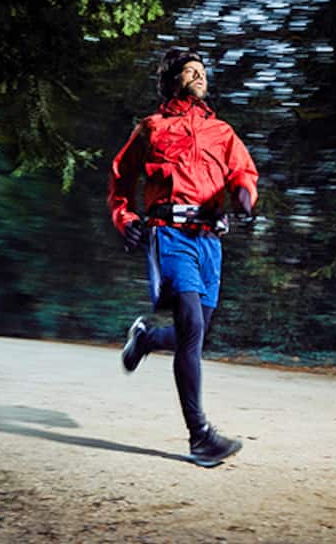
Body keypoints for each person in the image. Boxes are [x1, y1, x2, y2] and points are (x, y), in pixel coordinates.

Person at [107, 48, 259, 467]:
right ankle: (200, 437)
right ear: (172, 81)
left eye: (202, 72)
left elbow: (243, 172)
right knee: (191, 324)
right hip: (168, 234)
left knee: (194, 335)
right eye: (189, 71)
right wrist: (125, 218)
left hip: (210, 241)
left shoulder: (222, 132)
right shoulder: (151, 128)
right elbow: (120, 181)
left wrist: (246, 196)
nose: (199, 76)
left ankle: (147, 338)